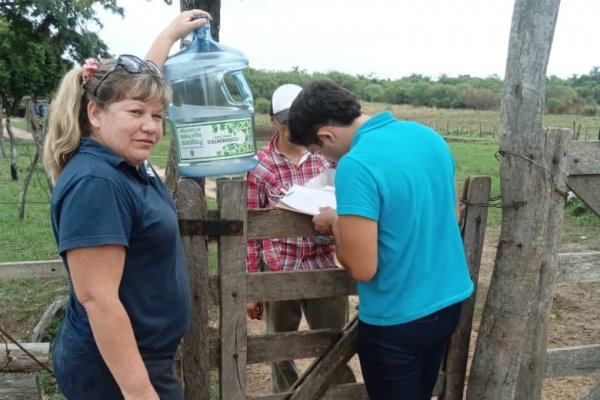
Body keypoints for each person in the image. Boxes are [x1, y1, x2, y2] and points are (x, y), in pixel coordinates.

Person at [43, 10, 210, 400]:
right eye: (136, 113)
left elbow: (143, 84)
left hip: (139, 359)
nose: (151, 125)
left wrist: (168, 35)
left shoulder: (126, 162)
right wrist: (140, 393)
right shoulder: (97, 183)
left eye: (158, 115)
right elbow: (98, 299)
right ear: (95, 113)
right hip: (116, 372)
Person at [287, 80, 474, 400]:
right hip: (448, 301)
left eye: (320, 152)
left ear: (325, 135)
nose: (328, 161)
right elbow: (452, 214)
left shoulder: (356, 164)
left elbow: (362, 268)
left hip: (398, 317)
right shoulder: (427, 136)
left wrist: (336, 223)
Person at [245, 83, 356, 393]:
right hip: (280, 264)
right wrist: (252, 284)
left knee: (335, 342)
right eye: (285, 118)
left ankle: (341, 395)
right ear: (273, 121)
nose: (292, 124)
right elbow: (250, 229)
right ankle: (288, 395)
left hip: (322, 262)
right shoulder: (258, 166)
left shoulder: (327, 157)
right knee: (280, 348)